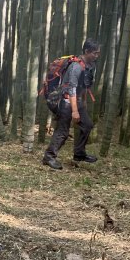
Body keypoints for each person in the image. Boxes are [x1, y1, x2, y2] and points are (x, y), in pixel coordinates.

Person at [42, 39, 101, 170]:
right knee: (62, 131)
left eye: (98, 54)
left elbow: (85, 85)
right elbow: (71, 89)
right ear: (86, 51)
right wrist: (74, 111)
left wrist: (84, 101)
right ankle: (49, 156)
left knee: (87, 125)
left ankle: (79, 154)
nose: (96, 56)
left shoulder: (90, 66)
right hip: (66, 101)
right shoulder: (75, 67)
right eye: (95, 53)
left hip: (77, 101)